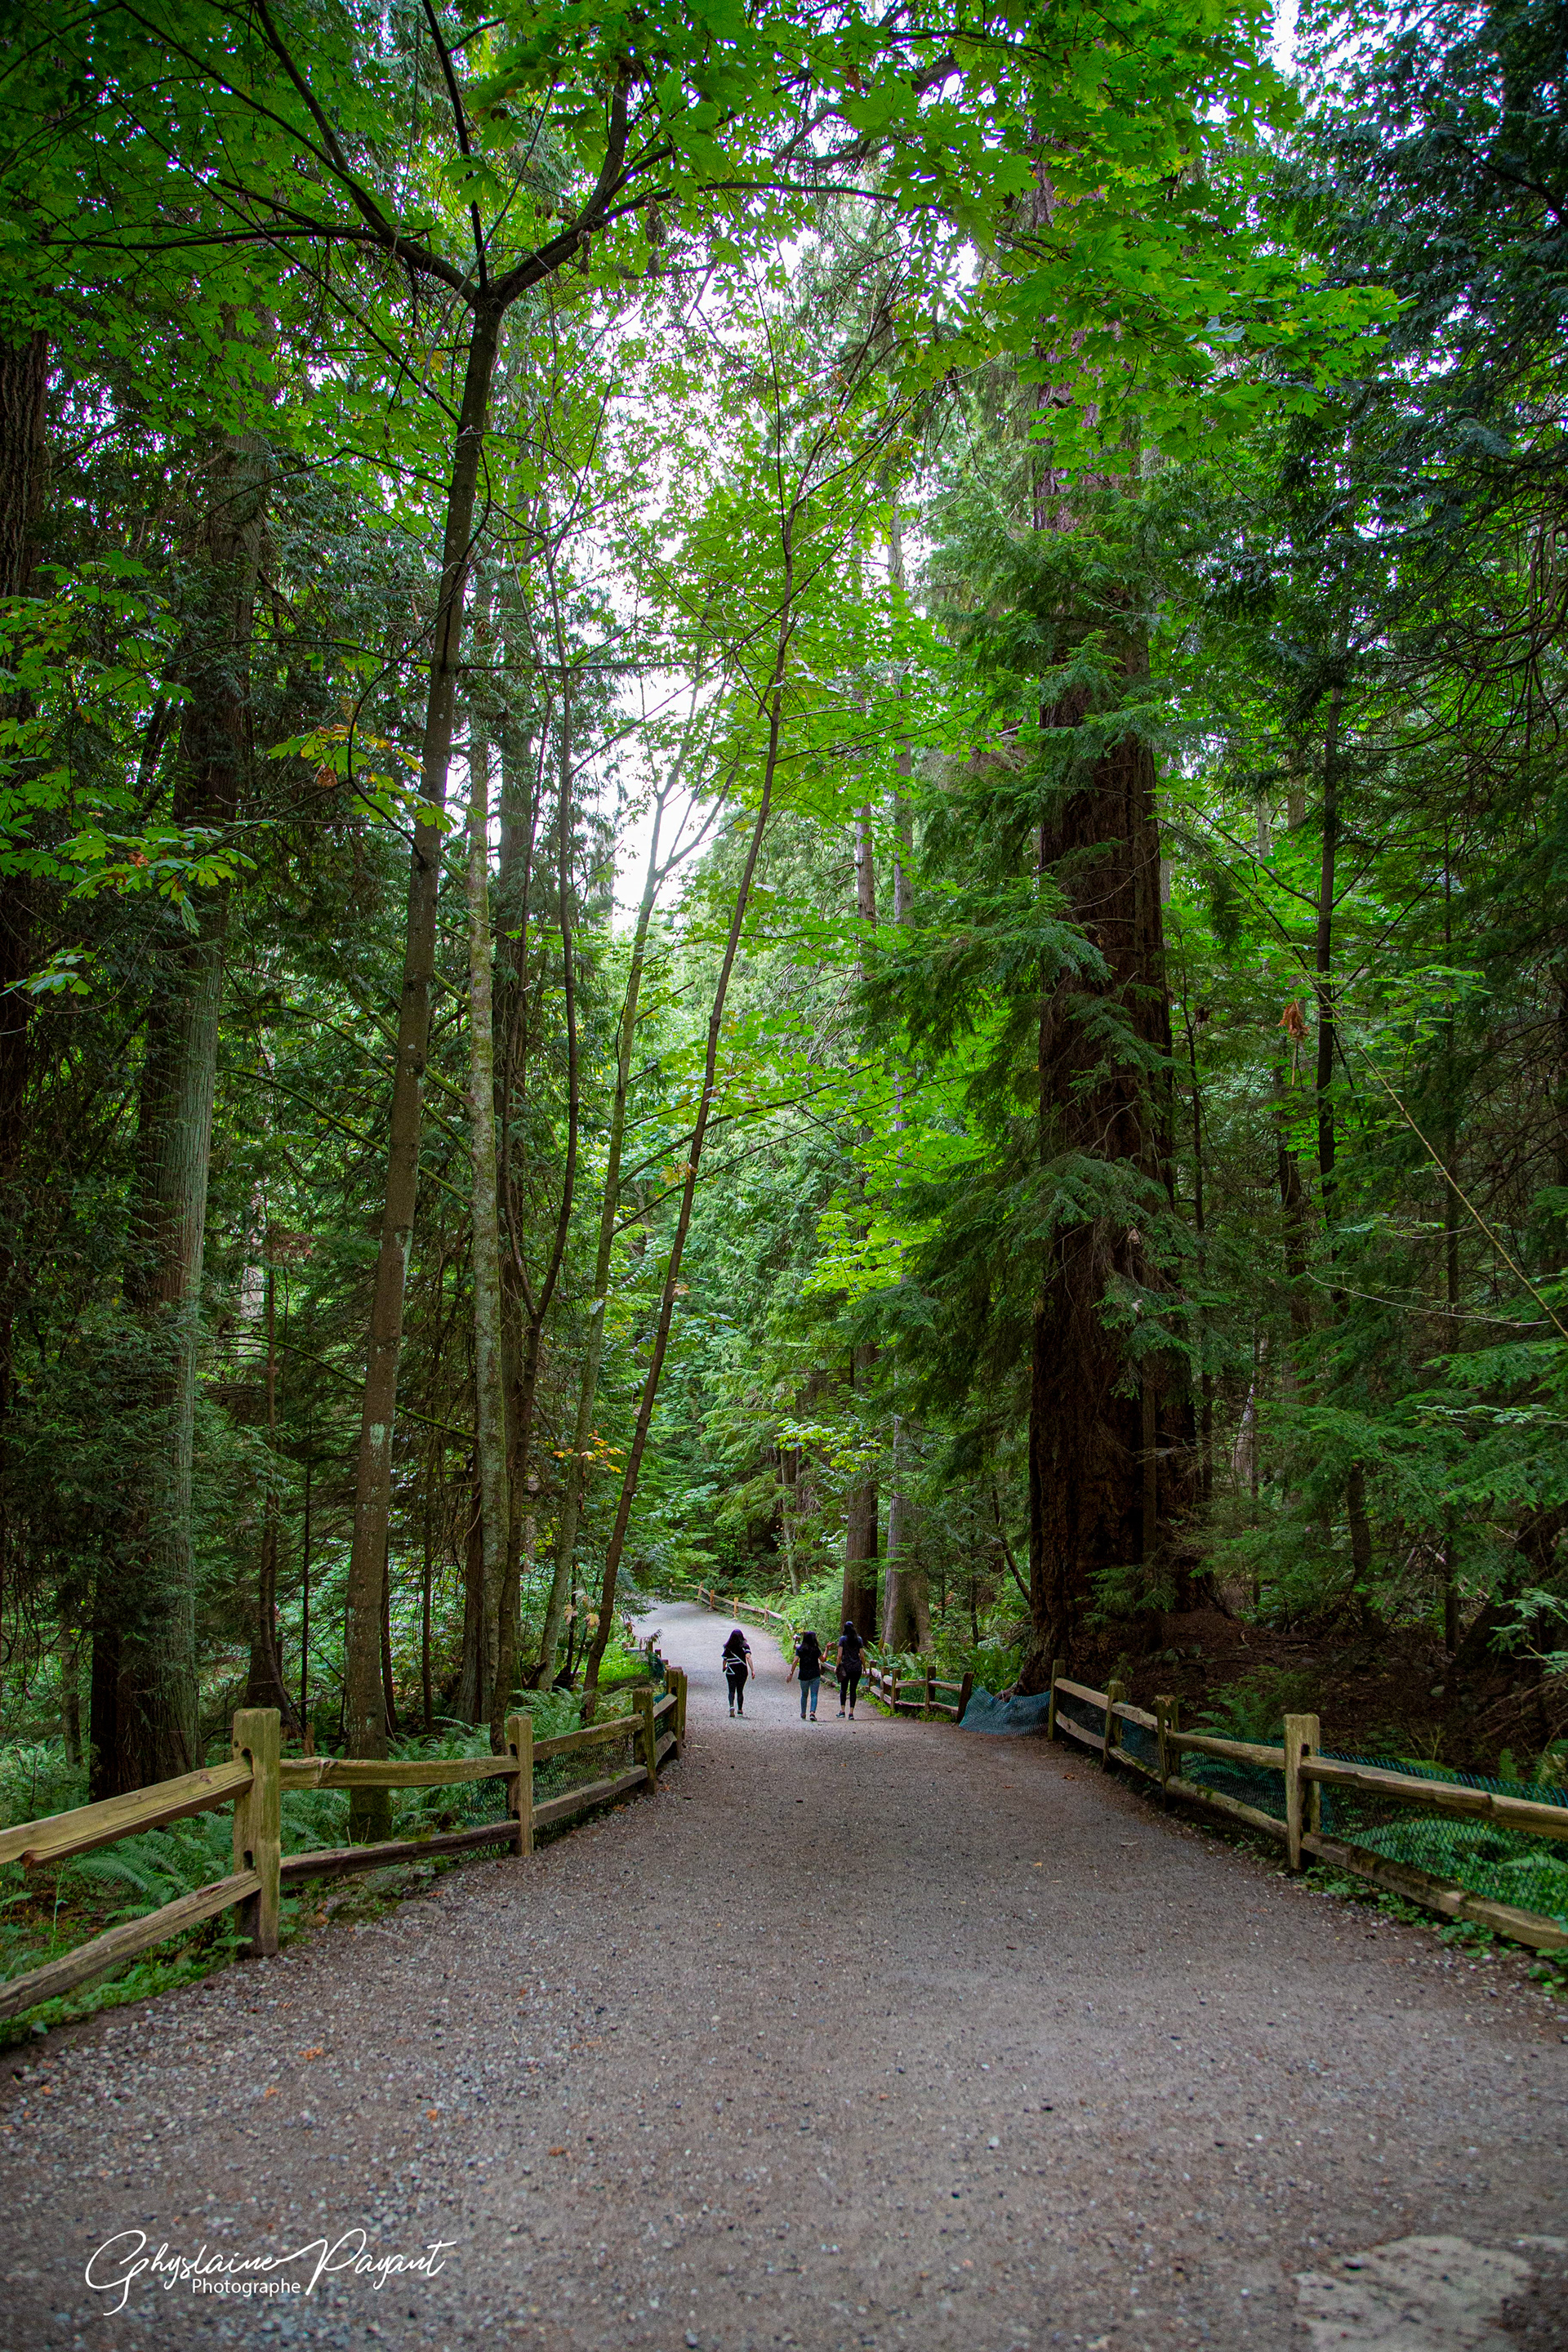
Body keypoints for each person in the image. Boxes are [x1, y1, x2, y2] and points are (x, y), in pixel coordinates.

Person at [790, 1625, 823, 1721]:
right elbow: (823, 1659)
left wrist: (791, 1673)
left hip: (804, 1675)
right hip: (815, 1674)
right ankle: (812, 1712)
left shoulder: (800, 1649)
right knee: (814, 1694)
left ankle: (803, 1713)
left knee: (804, 1695)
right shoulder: (816, 1649)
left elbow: (795, 1661)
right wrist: (827, 1649)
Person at [721, 1624, 752, 1717]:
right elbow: (748, 1657)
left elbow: (725, 1659)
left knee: (731, 1690)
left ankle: (731, 1706)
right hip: (742, 1671)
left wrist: (724, 1668)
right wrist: (752, 1670)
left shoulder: (728, 1647)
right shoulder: (745, 1646)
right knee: (740, 1690)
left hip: (731, 1671)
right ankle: (740, 1709)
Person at [836, 1621, 865, 1718]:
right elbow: (862, 1655)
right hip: (856, 1668)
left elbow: (839, 1655)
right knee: (853, 1690)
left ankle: (842, 1711)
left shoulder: (843, 1639)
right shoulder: (859, 1639)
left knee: (843, 1689)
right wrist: (864, 1666)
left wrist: (837, 1666)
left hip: (845, 1667)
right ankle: (851, 1713)